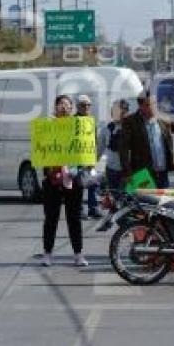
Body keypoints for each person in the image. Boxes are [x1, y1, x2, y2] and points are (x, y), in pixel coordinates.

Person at [40, 95, 87, 267]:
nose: (64, 107)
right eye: (61, 104)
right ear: (55, 107)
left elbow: (86, 147)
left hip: (73, 178)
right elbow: (41, 148)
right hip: (53, 178)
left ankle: (78, 253)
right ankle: (47, 253)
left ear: (72, 108)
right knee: (51, 218)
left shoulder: (78, 126)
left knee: (74, 218)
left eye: (67, 105)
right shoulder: (47, 125)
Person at [119, 90, 174, 190]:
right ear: (141, 106)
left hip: (162, 173)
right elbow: (123, 149)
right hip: (142, 174)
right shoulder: (130, 122)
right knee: (146, 204)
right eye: (149, 104)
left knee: (164, 203)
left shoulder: (163, 120)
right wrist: (127, 173)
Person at [75, 95, 101, 219]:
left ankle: (93, 208)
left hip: (88, 157)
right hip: (76, 158)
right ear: (77, 106)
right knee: (79, 185)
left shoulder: (91, 121)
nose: (86, 107)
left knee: (93, 183)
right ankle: (79, 210)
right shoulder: (72, 121)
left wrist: (93, 158)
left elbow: (94, 141)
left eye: (88, 105)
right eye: (83, 105)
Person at [98, 99, 128, 191]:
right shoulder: (106, 129)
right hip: (111, 170)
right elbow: (99, 149)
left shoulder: (132, 128)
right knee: (114, 198)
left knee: (130, 200)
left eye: (122, 111)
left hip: (129, 171)